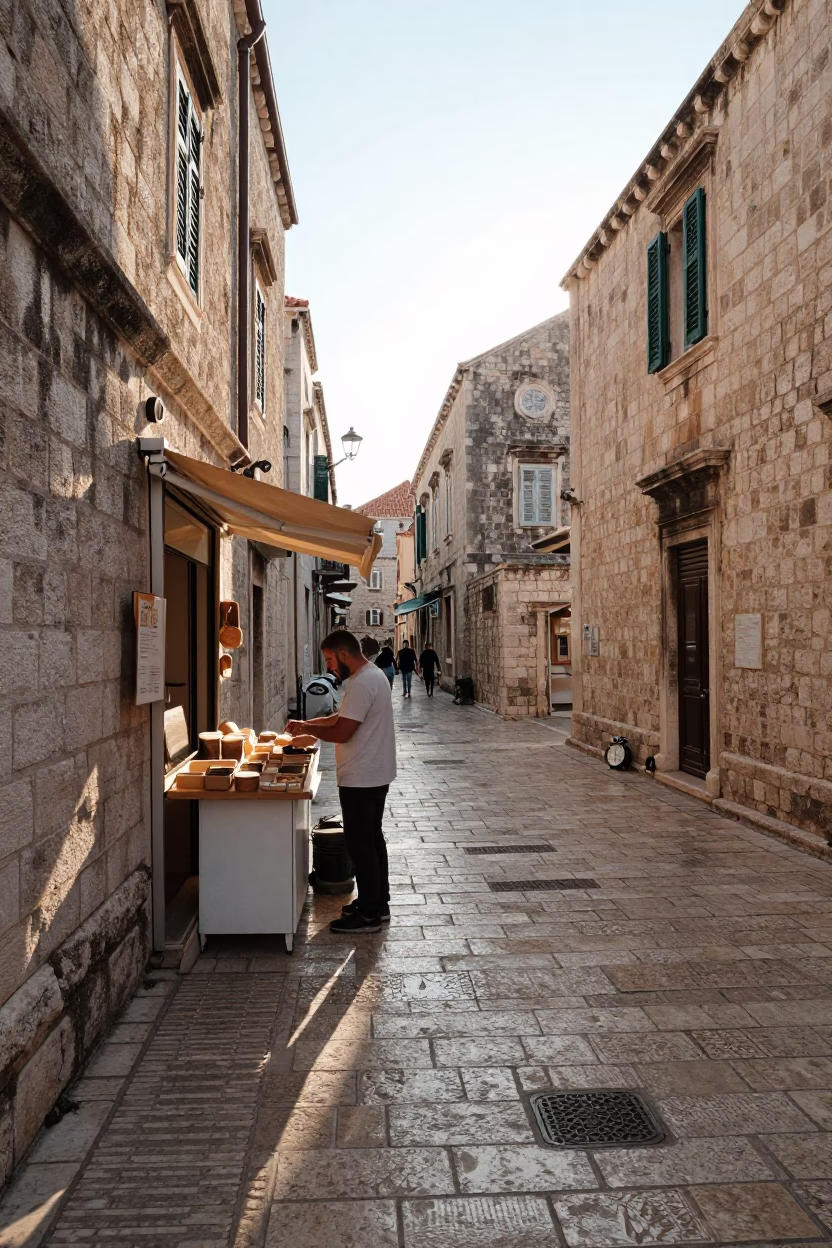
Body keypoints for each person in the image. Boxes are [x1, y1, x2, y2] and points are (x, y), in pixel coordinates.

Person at [286, 629, 396, 933]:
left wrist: (310, 732)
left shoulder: (363, 683)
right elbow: (340, 718)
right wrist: (306, 724)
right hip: (373, 772)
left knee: (362, 845)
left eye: (331, 660)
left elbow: (343, 731)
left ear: (345, 654)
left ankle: (370, 914)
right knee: (372, 840)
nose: (330, 666)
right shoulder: (370, 678)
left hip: (363, 776)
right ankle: (377, 904)